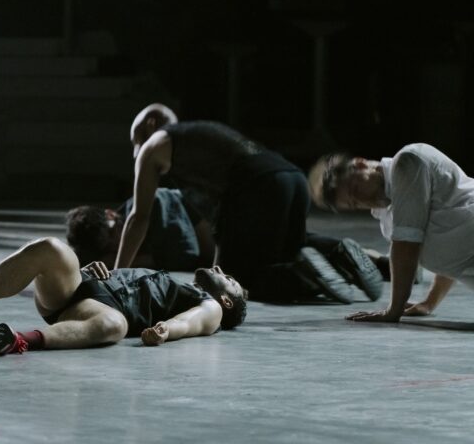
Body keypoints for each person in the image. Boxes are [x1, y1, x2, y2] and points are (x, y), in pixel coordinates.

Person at [115, 103, 383, 304]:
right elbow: (222, 218)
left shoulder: (154, 147)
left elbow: (139, 217)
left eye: (133, 140)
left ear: (150, 124)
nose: (134, 151)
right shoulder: (197, 137)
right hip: (291, 178)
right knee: (286, 250)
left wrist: (116, 275)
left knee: (235, 283)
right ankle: (338, 253)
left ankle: (302, 278)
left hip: (258, 185)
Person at [0, 237, 247, 354]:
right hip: (82, 288)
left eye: (228, 280)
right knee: (51, 249)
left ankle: (16, 341)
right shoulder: (172, 280)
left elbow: (195, 322)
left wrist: (166, 331)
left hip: (99, 312)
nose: (220, 272)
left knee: (114, 325)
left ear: (227, 301)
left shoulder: (212, 307)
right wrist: (90, 270)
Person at [308, 143, 474, 322]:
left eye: (356, 190)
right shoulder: (387, 216)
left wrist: (393, 311)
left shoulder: (408, 162)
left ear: (360, 164)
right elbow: (449, 241)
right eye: (354, 203)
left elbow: (407, 244)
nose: (362, 201)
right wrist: (429, 302)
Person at [66, 188, 215, 270]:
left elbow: (187, 255)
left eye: (112, 232)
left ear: (111, 214)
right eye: (107, 247)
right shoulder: (99, 247)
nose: (116, 244)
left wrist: (132, 261)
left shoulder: (154, 205)